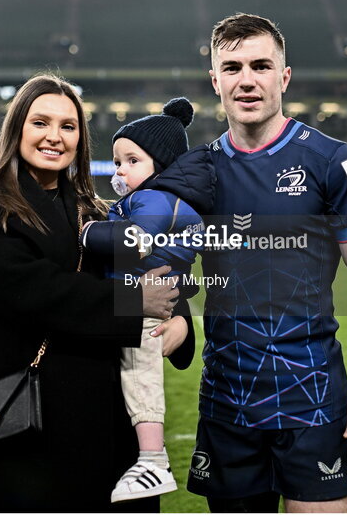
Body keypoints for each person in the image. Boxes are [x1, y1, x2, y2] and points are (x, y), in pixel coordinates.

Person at [0, 74, 194, 513]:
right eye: (41, 123)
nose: (55, 137)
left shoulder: (96, 211)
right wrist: (134, 306)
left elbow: (157, 272)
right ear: (17, 127)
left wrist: (181, 323)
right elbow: (36, 291)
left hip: (104, 418)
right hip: (23, 418)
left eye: (69, 126)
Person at [185, 14, 347, 513]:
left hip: (313, 398)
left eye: (261, 65)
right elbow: (158, 268)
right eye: (232, 67)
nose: (247, 79)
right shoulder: (196, 172)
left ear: (284, 76)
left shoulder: (332, 161)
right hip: (225, 400)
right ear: (215, 81)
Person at [80, 98, 213, 503]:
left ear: (162, 163)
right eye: (117, 161)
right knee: (136, 376)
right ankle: (149, 458)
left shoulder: (155, 201)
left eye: (131, 161)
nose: (119, 171)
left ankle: (153, 459)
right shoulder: (148, 199)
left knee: (140, 376)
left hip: (140, 305)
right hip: (132, 299)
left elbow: (135, 244)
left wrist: (87, 234)